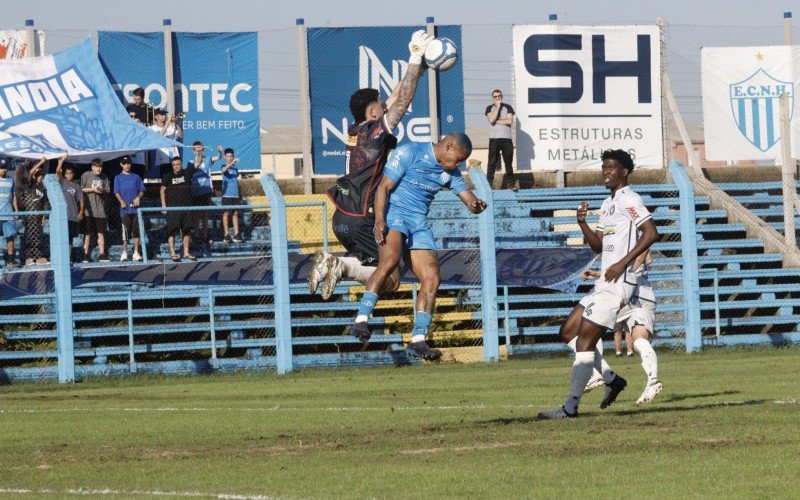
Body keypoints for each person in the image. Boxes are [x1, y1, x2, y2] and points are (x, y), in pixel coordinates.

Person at [307, 30, 433, 301]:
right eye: (380, 108)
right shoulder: (375, 133)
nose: (385, 109)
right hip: (363, 216)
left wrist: (419, 69)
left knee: (372, 269)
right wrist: (413, 56)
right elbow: (403, 101)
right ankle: (339, 265)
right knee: (391, 278)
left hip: (342, 217)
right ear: (373, 113)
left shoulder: (356, 129)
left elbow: (394, 97)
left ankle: (342, 265)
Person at [538, 149, 659, 419]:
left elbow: (652, 232)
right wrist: (582, 224)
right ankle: (610, 378)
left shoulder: (630, 198)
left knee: (584, 343)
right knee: (568, 330)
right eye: (604, 167)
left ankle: (570, 407)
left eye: (612, 167)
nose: (606, 171)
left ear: (624, 171)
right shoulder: (607, 204)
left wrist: (623, 262)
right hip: (604, 283)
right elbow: (598, 247)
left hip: (619, 284)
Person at [349, 133, 487, 360]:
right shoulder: (409, 152)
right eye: (458, 158)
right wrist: (380, 220)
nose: (459, 164)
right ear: (448, 146)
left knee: (432, 278)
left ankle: (418, 339)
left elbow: (468, 199)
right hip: (395, 215)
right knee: (390, 259)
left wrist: (476, 204)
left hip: (419, 224)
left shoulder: (450, 172)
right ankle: (362, 319)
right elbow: (383, 187)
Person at [582, 251, 663, 406]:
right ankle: (652, 380)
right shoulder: (621, 235)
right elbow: (623, 267)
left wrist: (630, 272)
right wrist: (599, 274)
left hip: (631, 292)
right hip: (634, 292)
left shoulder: (633, 230)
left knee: (588, 330)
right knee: (638, 341)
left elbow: (646, 255)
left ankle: (598, 374)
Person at [161, 156, 198, 262]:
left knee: (186, 231)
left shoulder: (187, 172)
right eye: (173, 165)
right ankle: (173, 253)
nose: (176, 166)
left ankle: (186, 253)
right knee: (172, 232)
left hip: (186, 208)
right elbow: (162, 190)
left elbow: (198, 161)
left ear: (181, 164)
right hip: (173, 209)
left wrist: (198, 152)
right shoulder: (168, 176)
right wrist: (164, 205)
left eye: (178, 164)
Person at [17, 158, 49, 265]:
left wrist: (43, 217)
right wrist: (41, 162)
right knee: (30, 235)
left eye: (41, 175)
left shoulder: (43, 187)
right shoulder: (29, 184)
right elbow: (30, 172)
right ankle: (29, 258)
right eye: (38, 175)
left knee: (39, 236)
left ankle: (39, 257)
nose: (40, 177)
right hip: (30, 213)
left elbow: (44, 203)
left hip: (39, 215)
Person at [113, 156, 145, 262]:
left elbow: (142, 190)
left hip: (136, 209)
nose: (127, 165)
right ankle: (124, 252)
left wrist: (138, 198)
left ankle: (136, 253)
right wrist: (121, 202)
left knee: (136, 231)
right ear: (121, 164)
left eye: (128, 163)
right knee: (125, 232)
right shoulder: (118, 177)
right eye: (124, 163)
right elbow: (116, 192)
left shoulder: (136, 177)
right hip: (124, 209)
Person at [189, 141, 221, 245]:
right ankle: (197, 235)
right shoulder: (190, 161)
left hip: (206, 190)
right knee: (196, 214)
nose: (199, 149)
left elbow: (217, 157)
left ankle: (205, 235)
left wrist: (219, 152)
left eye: (200, 148)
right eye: (196, 148)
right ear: (193, 150)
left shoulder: (207, 159)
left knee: (205, 214)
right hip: (195, 191)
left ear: (203, 149)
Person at [55, 155, 85, 263]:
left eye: (71, 173)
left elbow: (81, 201)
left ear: (73, 174)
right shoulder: (62, 182)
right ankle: (62, 258)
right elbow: (57, 170)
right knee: (63, 237)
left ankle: (69, 257)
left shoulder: (77, 187)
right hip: (63, 215)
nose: (69, 175)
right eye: (67, 173)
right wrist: (62, 160)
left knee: (70, 239)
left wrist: (81, 212)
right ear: (65, 174)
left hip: (73, 215)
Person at [80, 158, 111, 263]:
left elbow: (107, 191)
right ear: (92, 167)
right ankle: (85, 254)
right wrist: (93, 189)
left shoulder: (104, 177)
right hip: (88, 210)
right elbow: (81, 189)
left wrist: (102, 190)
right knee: (87, 233)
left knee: (101, 233)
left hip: (100, 210)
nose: (99, 169)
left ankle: (102, 254)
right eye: (97, 166)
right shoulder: (86, 175)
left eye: (100, 166)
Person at [485, 89, 516, 190]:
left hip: (506, 139)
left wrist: (496, 121)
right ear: (492, 98)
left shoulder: (508, 107)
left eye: (499, 96)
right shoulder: (489, 108)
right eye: (495, 96)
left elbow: (510, 121)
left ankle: (510, 184)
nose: (497, 98)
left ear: (502, 97)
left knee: (508, 162)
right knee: (492, 162)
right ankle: (488, 184)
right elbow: (491, 119)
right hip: (494, 139)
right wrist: (498, 107)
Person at [149, 108, 184, 178]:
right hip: (163, 159)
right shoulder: (153, 128)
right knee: (166, 180)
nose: (164, 116)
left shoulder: (172, 127)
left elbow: (181, 135)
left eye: (164, 114)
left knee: (176, 179)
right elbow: (159, 137)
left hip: (174, 159)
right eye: (161, 114)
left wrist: (176, 124)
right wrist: (168, 122)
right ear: (156, 116)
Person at [220, 148, 244, 243]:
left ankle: (237, 234)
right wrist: (233, 162)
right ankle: (226, 235)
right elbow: (224, 170)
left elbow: (235, 180)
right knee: (225, 213)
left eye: (231, 156)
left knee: (235, 214)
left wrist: (239, 194)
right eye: (228, 156)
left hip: (235, 195)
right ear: (225, 157)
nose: (229, 158)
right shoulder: (223, 166)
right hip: (226, 195)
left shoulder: (235, 169)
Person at [0, 157, 19, 267]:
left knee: (10, 236)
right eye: (1, 168)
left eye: (5, 167)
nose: (4, 170)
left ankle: (11, 259)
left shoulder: (11, 180)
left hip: (8, 213)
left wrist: (16, 211)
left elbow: (14, 197)